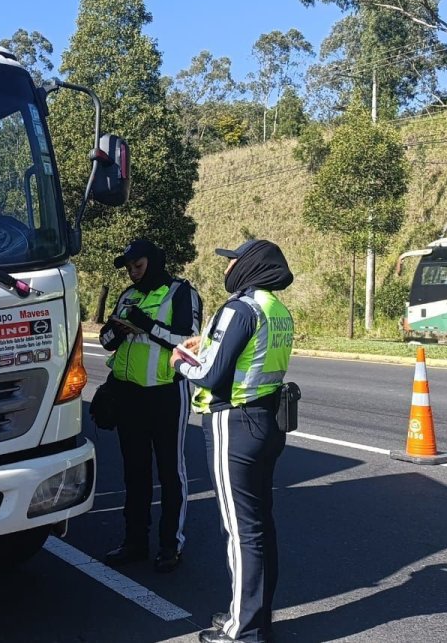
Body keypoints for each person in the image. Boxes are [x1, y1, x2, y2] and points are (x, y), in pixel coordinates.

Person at [174, 239, 294, 643]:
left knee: (240, 531)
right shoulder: (275, 309)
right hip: (266, 422)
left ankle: (243, 630)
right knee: (259, 525)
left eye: (232, 262)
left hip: (234, 424)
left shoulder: (239, 308)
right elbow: (244, 356)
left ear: (249, 266)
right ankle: (254, 616)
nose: (226, 268)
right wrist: (208, 346)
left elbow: (211, 375)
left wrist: (181, 361)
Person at [98, 238, 202, 573]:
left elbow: (190, 342)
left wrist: (148, 326)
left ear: (153, 262)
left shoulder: (180, 293)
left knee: (171, 472)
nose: (132, 273)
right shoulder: (128, 295)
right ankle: (135, 542)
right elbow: (105, 340)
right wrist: (118, 332)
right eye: (129, 268)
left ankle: (171, 545)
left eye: (138, 266)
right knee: (135, 472)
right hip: (129, 396)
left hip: (166, 394)